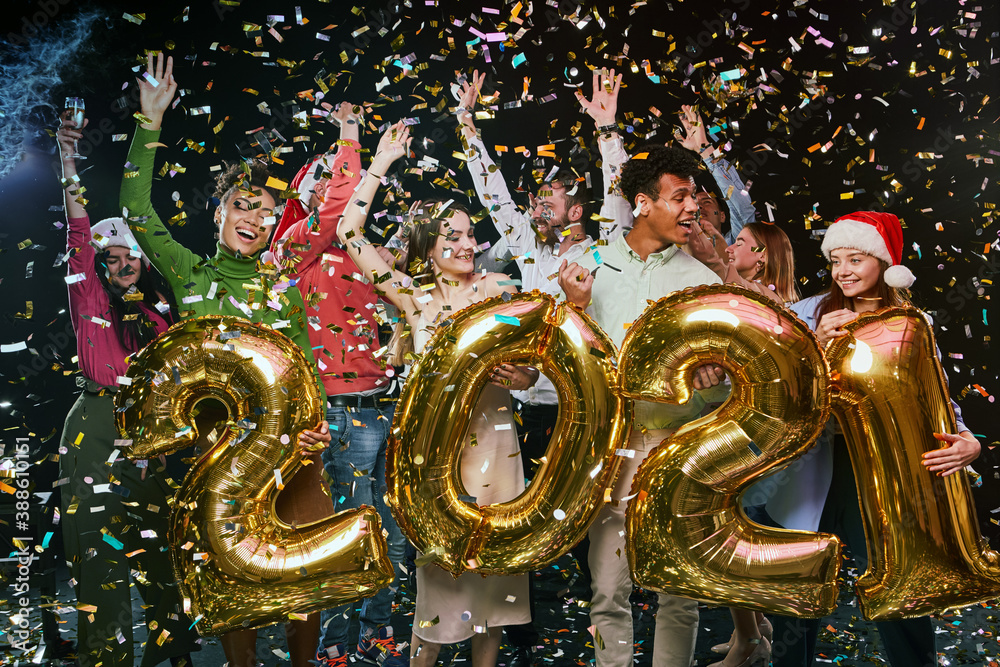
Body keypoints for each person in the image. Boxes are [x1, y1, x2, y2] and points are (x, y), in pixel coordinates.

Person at [119, 52, 331, 667]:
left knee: (301, 578)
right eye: (242, 205)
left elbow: (304, 368)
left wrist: (315, 426)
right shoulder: (188, 274)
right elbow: (136, 209)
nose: (254, 217)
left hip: (293, 453)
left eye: (264, 211)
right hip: (220, 455)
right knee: (236, 581)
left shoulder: (280, 289)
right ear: (218, 214)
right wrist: (149, 123)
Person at [338, 121, 531, 667]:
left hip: (499, 449)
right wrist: (380, 162)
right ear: (428, 245)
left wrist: (518, 379)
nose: (468, 244)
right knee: (440, 589)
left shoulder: (501, 293)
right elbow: (351, 235)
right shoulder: (413, 299)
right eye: (453, 235)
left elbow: (532, 377)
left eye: (471, 234)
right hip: (438, 458)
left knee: (494, 588)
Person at [454, 66, 628, 665]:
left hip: (579, 408)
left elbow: (620, 203)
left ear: (577, 207)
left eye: (547, 196)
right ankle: (524, 628)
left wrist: (607, 133)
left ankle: (595, 619)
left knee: (584, 518)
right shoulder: (527, 248)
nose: (535, 203)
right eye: (535, 197)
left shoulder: (603, 247)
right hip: (525, 406)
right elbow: (492, 195)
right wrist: (468, 126)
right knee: (518, 514)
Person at [757, 211, 981, 667]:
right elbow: (778, 390)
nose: (843, 270)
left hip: (881, 472)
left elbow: (934, 396)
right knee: (799, 592)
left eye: (856, 258)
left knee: (903, 582)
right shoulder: (807, 314)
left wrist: (966, 439)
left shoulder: (910, 324)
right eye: (836, 259)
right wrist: (812, 348)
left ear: (883, 263)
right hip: (814, 465)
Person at [558, 144, 730, 667]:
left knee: (679, 590)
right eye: (679, 198)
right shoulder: (585, 266)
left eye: (695, 200)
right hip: (612, 453)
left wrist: (713, 378)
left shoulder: (704, 282)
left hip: (681, 453)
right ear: (642, 204)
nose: (692, 209)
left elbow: (725, 392)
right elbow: (568, 366)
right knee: (608, 588)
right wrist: (575, 310)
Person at [56, 111, 198, 666]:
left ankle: (174, 653)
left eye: (128, 255)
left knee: (161, 550)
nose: (121, 264)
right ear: (98, 267)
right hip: (96, 425)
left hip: (154, 431)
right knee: (100, 558)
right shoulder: (88, 300)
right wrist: (68, 160)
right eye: (108, 258)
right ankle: (107, 659)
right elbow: (76, 234)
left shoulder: (163, 317)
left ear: (141, 258)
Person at [269, 102, 408, 667]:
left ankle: (376, 630)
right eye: (328, 182)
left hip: (386, 405)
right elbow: (340, 202)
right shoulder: (295, 251)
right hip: (341, 412)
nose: (340, 192)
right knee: (350, 527)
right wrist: (352, 137)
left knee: (393, 532)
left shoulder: (359, 250)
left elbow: (400, 310)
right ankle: (333, 639)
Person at [690, 220, 799, 305]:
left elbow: (719, 267)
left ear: (762, 255)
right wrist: (716, 237)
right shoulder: (769, 296)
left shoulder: (759, 296)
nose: (728, 249)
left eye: (739, 244)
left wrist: (688, 222)